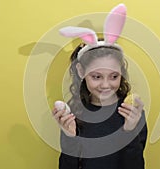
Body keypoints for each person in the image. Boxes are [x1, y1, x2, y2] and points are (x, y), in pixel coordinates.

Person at [52, 4, 148, 169]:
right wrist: (70, 137)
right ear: (81, 71)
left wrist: (129, 132)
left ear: (121, 73)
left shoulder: (132, 114)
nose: (105, 85)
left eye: (114, 76)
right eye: (96, 76)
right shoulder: (74, 114)